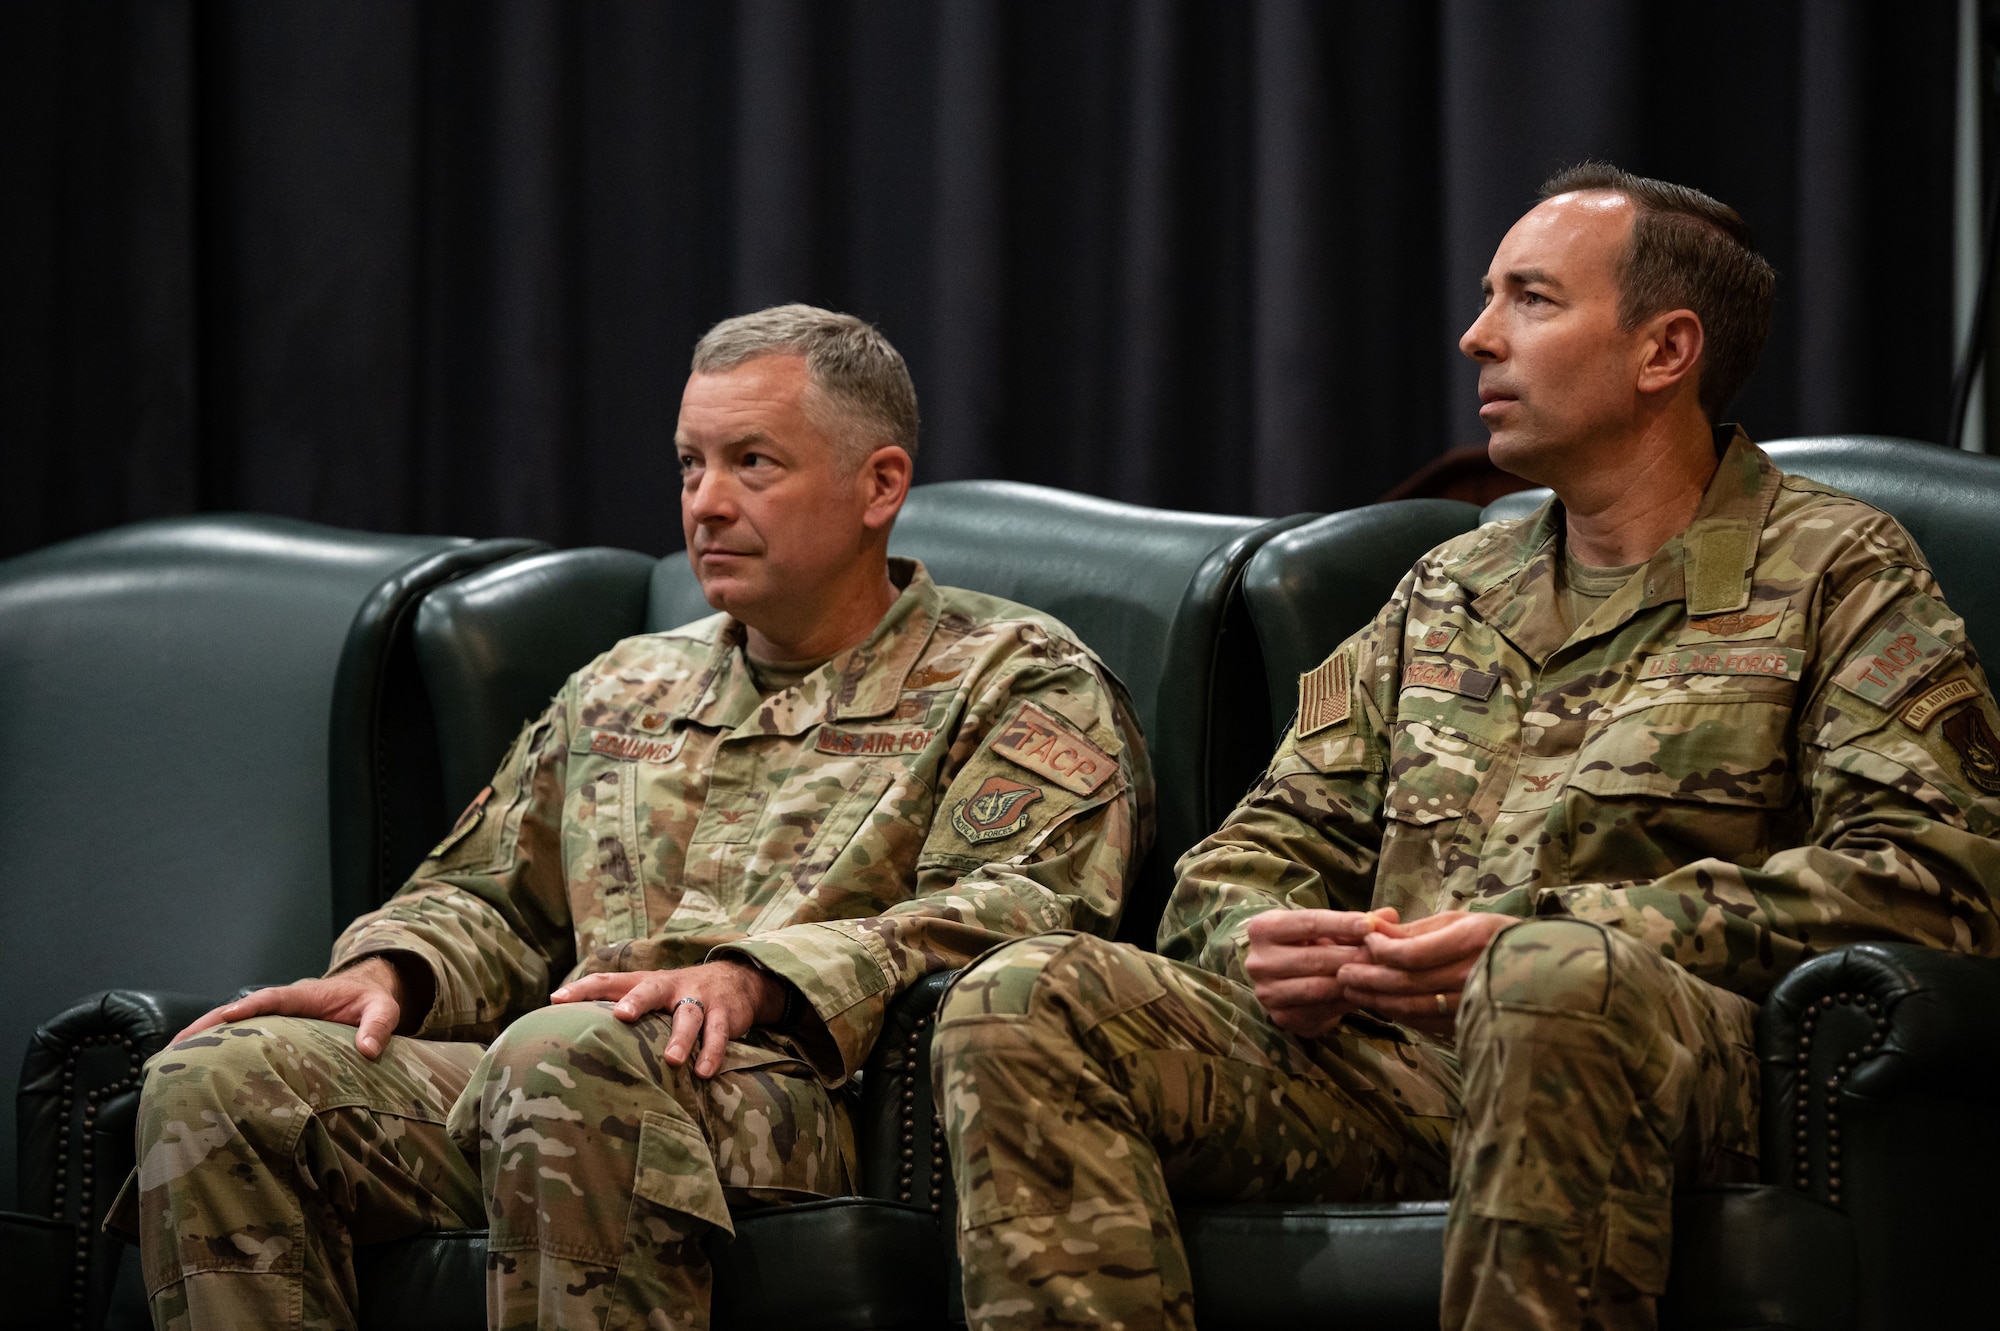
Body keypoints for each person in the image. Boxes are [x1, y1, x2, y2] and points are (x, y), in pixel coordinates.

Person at [934, 164, 2000, 1331]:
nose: (1474, 336)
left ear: (1663, 350)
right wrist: (1265, 944)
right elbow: (1251, 851)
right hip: (1390, 1064)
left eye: (1529, 300)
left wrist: (1564, 930)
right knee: (1023, 992)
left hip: (1671, 1054)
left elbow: (1936, 877)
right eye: (1487, 297)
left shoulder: (1835, 568)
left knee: (1545, 980)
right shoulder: (1446, 585)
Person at [117, 304, 1153, 1331]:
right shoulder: (625, 683)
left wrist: (760, 975)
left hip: (810, 1097)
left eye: (753, 462)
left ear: (878, 484)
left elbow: (1027, 907)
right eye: (689, 464)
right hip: (563, 1067)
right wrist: (392, 971)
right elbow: (487, 895)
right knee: (218, 1078)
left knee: (565, 1057)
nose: (705, 502)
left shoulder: (1013, 677)